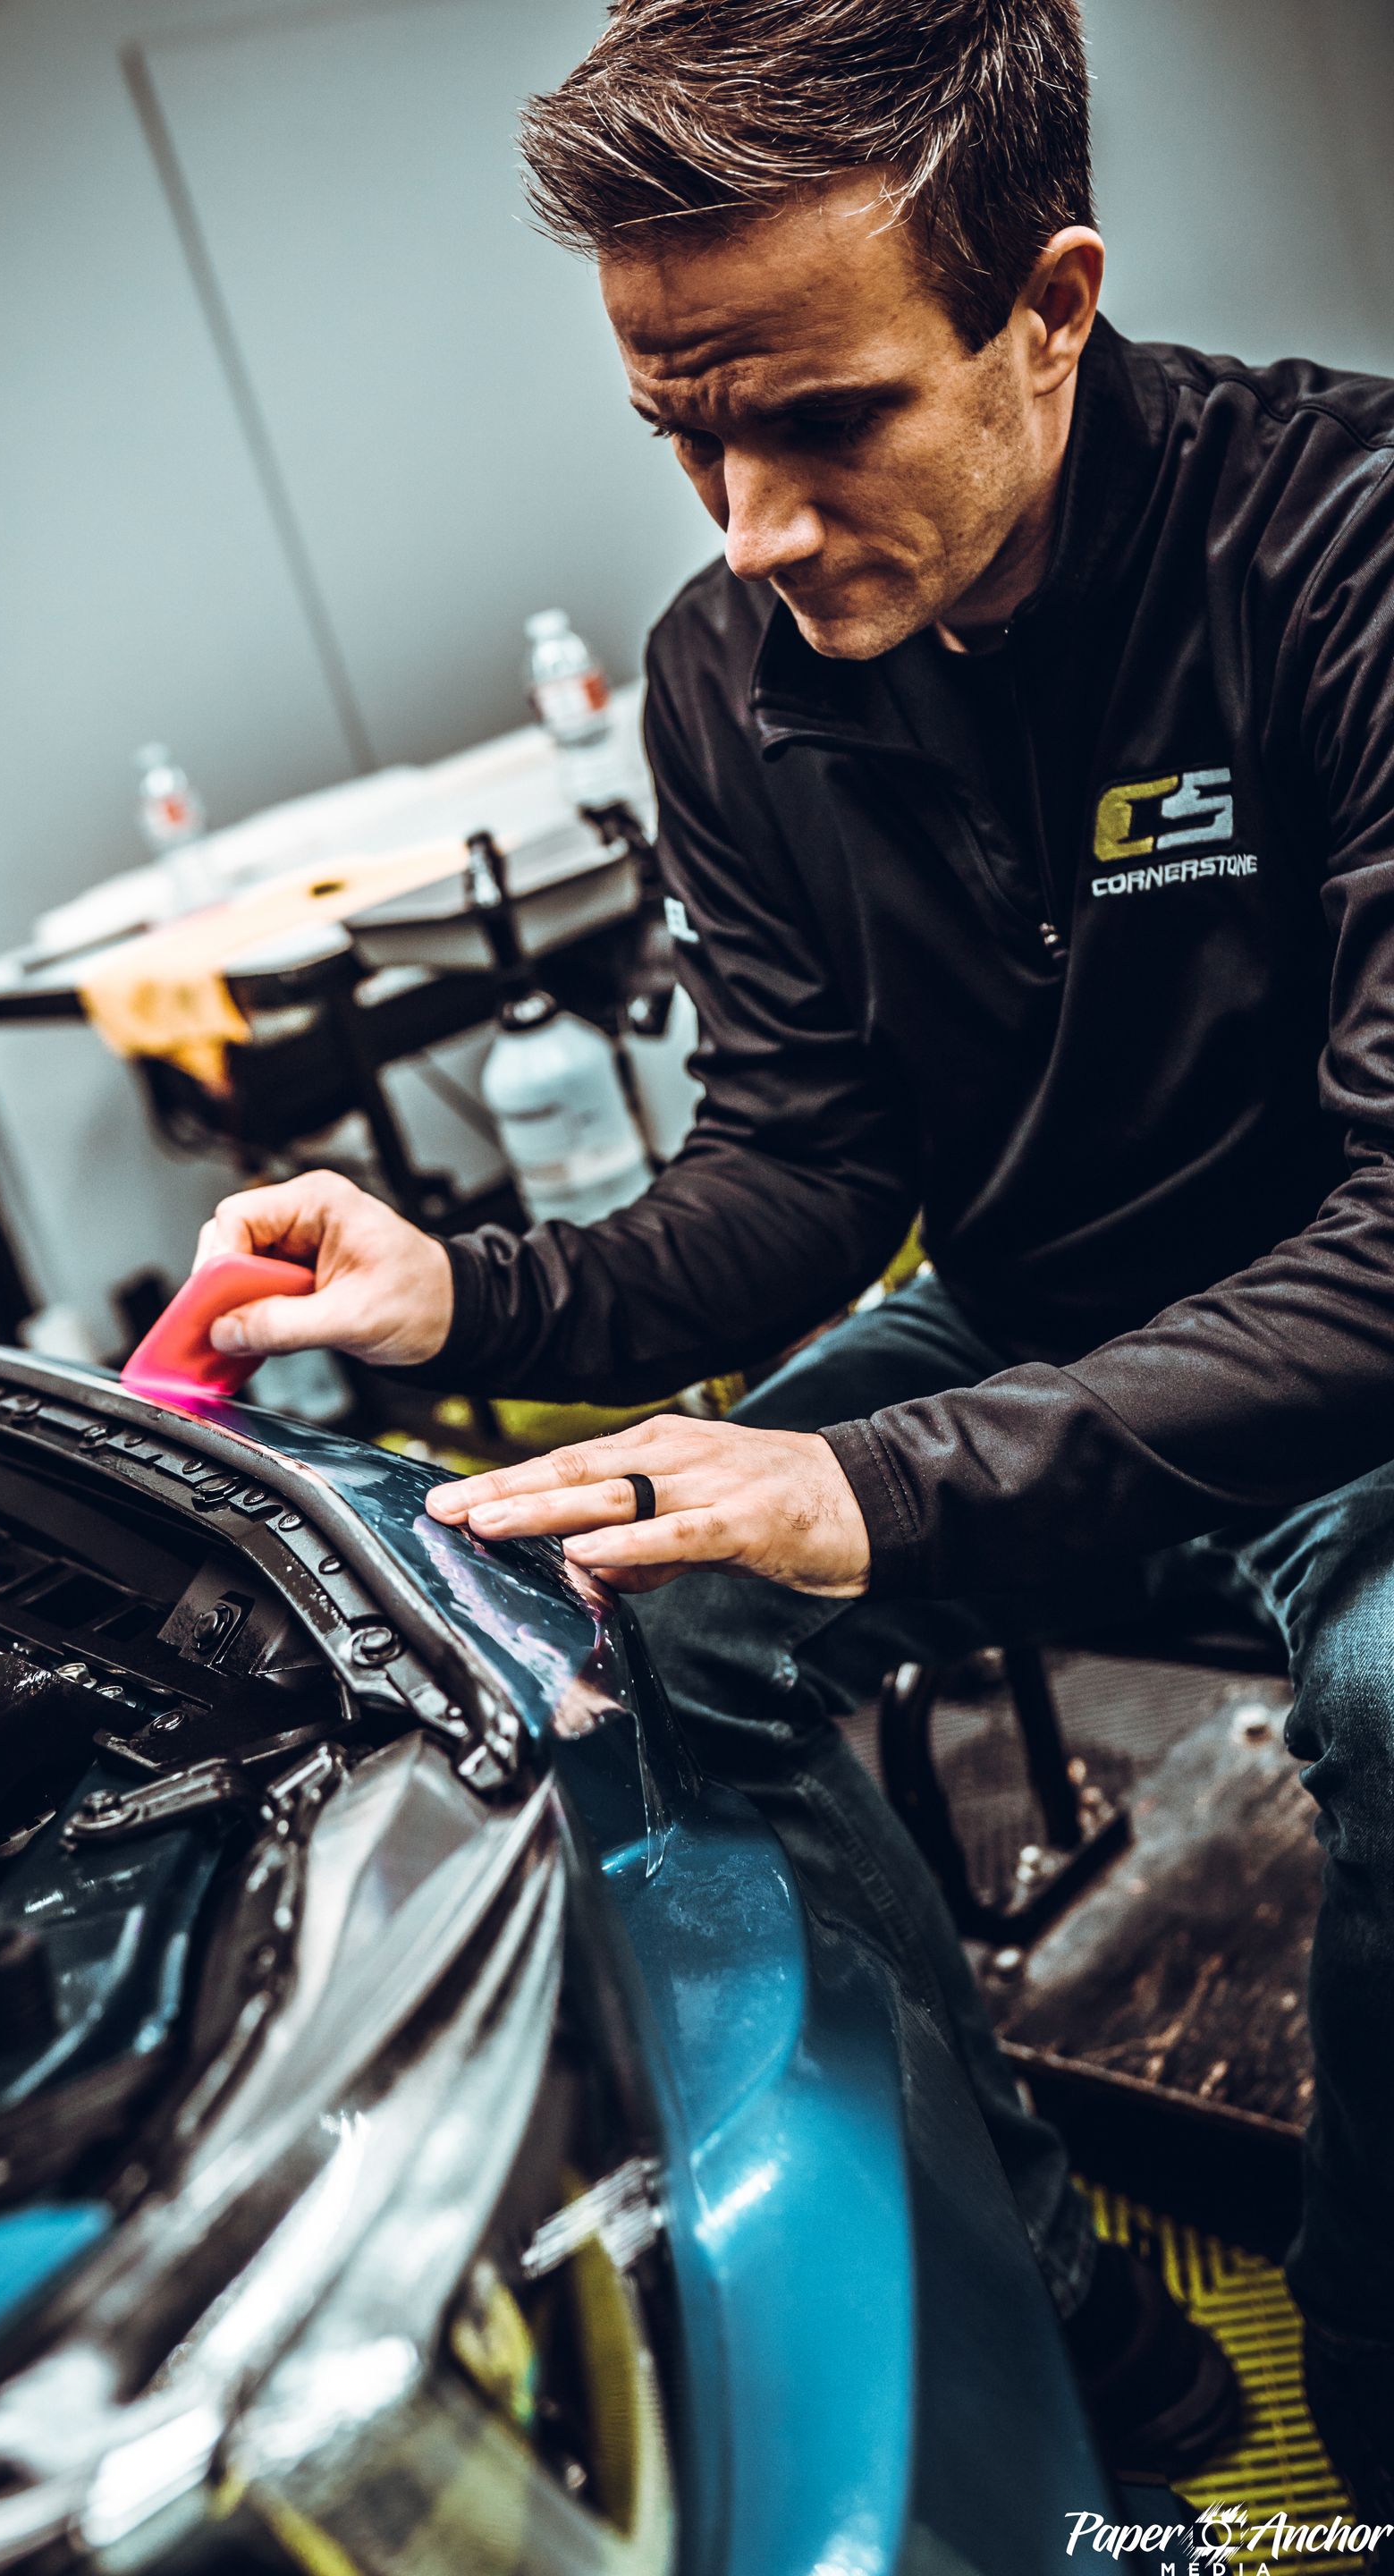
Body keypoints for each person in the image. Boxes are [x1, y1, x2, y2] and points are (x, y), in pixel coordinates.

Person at [194, 0, 1394, 2506]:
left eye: (822, 419)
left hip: (1349, 1347)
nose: (743, 522)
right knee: (640, 1622)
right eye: (681, 435)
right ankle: (1080, 2320)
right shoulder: (732, 681)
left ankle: (1375, 2411)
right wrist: (466, 1291)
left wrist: (895, 1477)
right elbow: (805, 1170)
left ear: (1048, 304)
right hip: (1042, 1315)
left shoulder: (1339, 551)